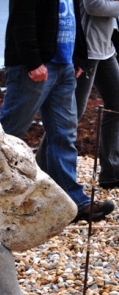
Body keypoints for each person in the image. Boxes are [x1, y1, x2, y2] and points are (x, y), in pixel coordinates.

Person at [0, 0, 115, 226]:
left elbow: (74, 17)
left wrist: (79, 57)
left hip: (65, 65)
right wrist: (32, 61)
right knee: (5, 135)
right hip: (35, 68)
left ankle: (74, 201)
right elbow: (21, 18)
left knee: (64, 135)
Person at [77, 0, 119, 188]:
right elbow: (93, 6)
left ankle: (111, 172)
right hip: (88, 51)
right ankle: (43, 167)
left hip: (106, 49)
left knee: (117, 105)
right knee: (72, 114)